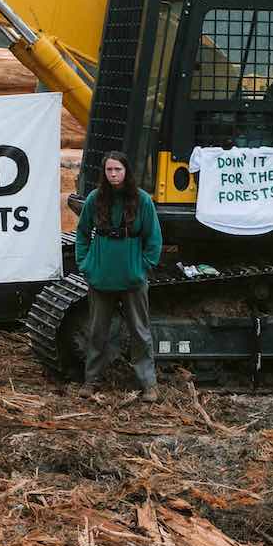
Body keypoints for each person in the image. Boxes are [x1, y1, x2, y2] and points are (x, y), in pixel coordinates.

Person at [73, 150, 163, 401]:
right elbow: (82, 233)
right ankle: (91, 381)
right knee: (97, 331)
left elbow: (154, 238)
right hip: (101, 276)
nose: (113, 174)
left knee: (140, 331)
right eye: (109, 170)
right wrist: (86, 264)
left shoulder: (142, 200)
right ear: (104, 172)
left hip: (132, 276)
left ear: (126, 171)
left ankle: (149, 384)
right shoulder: (95, 198)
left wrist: (143, 266)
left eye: (118, 169)